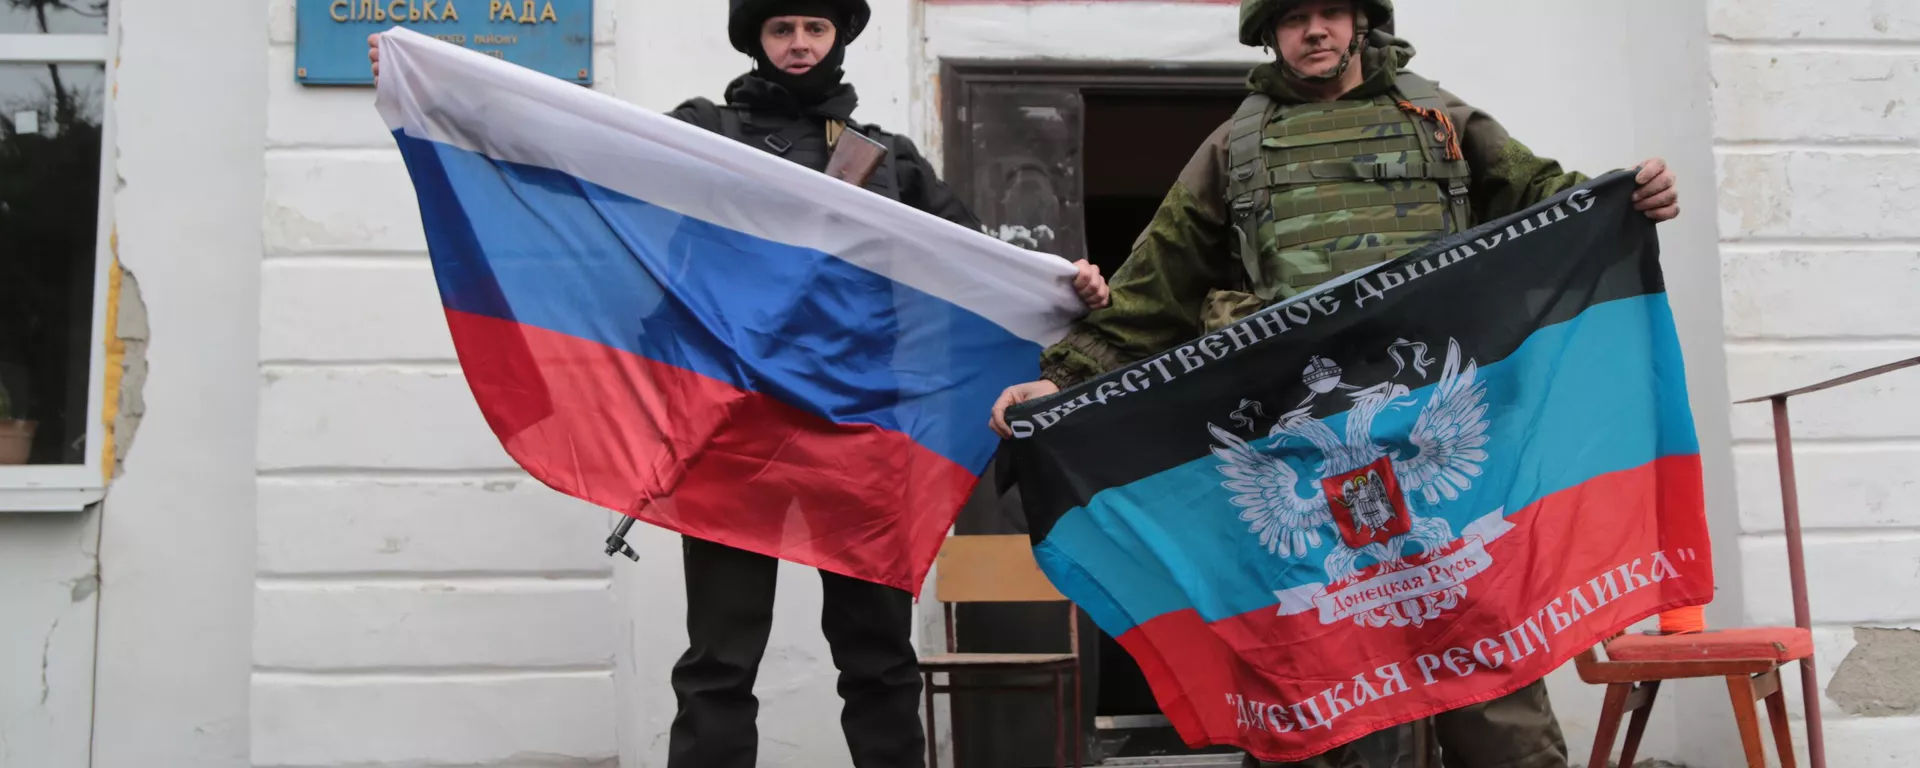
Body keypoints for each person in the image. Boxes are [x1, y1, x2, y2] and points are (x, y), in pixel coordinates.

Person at [375, 4, 1109, 766]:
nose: (799, 44)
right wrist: (441, 92)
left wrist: (1067, 284)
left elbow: (980, 269)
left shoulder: (890, 161)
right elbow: (574, 144)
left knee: (879, 659)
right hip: (735, 425)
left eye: (815, 28)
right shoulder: (703, 134)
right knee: (720, 660)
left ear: (838, 37)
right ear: (756, 39)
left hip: (860, 431)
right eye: (782, 28)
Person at [988, 1, 1679, 767]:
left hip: (1436, 429)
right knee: (1322, 674)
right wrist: (1060, 383)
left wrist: (1627, 200)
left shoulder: (1438, 117)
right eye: (1292, 17)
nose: (1314, 31)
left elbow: (1551, 203)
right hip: (1303, 453)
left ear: (1360, 20)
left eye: (1330, 12)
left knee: (1483, 661)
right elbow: (1156, 289)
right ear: (1268, 33)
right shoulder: (1234, 150)